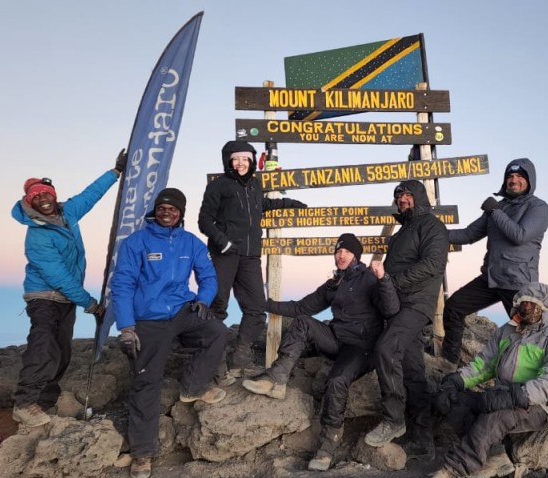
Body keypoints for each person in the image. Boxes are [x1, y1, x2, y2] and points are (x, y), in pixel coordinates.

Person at [241, 233, 400, 471]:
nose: (340, 255)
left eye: (345, 251)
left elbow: (391, 309)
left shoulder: (369, 278)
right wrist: (266, 304)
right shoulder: (334, 283)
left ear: (355, 254)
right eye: (337, 252)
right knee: (304, 321)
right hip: (336, 339)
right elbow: (301, 307)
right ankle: (276, 378)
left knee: (336, 380)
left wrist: (384, 279)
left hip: (361, 348)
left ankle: (327, 447)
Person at [110, 188, 228, 478]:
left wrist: (203, 299)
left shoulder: (191, 243)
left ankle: (192, 388)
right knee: (146, 384)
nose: (166, 213)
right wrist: (126, 326)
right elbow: (122, 284)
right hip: (148, 319)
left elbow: (208, 276)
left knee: (216, 332)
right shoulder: (136, 243)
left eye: (172, 209)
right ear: (155, 210)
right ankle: (142, 454)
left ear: (180, 214)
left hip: (181, 310)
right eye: (162, 208)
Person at [10, 150, 125, 428]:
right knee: (44, 345)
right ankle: (24, 403)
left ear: (53, 194)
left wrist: (115, 172)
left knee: (62, 351)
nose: (42, 199)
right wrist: (90, 304)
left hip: (65, 299)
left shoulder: (68, 212)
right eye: (35, 197)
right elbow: (58, 276)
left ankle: (45, 402)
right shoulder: (37, 236)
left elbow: (90, 195)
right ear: (29, 203)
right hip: (44, 297)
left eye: (45, 194)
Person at [431, 282, 548, 478]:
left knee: (493, 418)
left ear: (544, 308)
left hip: (539, 404)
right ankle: (493, 454)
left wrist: (517, 396)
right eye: (524, 303)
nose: (527, 308)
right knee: (454, 401)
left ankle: (456, 469)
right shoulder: (508, 331)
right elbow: (484, 364)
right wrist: (457, 380)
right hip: (502, 395)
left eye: (533, 304)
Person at [198, 140, 307, 379]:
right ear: (228, 160)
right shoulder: (219, 187)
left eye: (245, 159)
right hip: (224, 255)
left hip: (249, 257)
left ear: (251, 160)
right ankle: (216, 365)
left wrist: (288, 203)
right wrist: (223, 241)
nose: (241, 163)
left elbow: (262, 205)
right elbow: (204, 221)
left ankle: (240, 359)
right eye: (236, 159)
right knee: (218, 307)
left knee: (257, 309)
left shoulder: (254, 186)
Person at [364, 180, 449, 457]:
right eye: (399, 195)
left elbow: (433, 264)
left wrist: (393, 282)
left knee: (386, 349)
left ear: (420, 198)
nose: (402, 199)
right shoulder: (402, 232)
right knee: (413, 371)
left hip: (416, 304)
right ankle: (423, 441)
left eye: (408, 194)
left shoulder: (432, 226)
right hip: (398, 306)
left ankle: (393, 419)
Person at [441, 158, 548, 366]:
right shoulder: (499, 207)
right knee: (454, 307)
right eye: (510, 176)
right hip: (491, 279)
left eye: (519, 176)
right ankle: (449, 363)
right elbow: (468, 234)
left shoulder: (538, 207)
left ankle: (529, 382)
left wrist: (495, 212)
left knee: (526, 333)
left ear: (529, 181)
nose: (513, 180)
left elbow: (520, 235)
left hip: (519, 283)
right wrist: (435, 233)